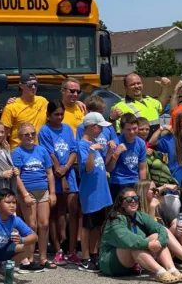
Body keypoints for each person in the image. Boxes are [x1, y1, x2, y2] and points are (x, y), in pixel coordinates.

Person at [99, 188, 182, 283]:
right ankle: (160, 272)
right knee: (134, 245)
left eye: (135, 198)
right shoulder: (116, 218)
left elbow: (161, 229)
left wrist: (159, 242)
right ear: (121, 203)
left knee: (156, 236)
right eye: (128, 199)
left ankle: (172, 270)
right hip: (111, 263)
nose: (133, 201)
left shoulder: (140, 215)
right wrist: (149, 244)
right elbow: (127, 239)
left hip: (133, 261)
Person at [38, 100, 79, 265]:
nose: (60, 117)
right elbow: (50, 152)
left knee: (73, 210)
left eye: (62, 114)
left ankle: (72, 249)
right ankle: (58, 249)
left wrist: (67, 167)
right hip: (54, 174)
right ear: (48, 115)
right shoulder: (44, 130)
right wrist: (59, 172)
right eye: (56, 114)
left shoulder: (68, 129)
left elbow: (73, 150)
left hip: (68, 172)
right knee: (56, 213)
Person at [12, 122, 56, 271]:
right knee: (32, 225)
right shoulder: (17, 152)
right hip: (27, 190)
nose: (30, 137)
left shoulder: (41, 150)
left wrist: (53, 192)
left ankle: (42, 257)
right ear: (20, 137)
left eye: (32, 133)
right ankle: (30, 258)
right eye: (26, 134)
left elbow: (49, 172)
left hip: (43, 189)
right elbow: (17, 176)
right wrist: (24, 194)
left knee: (44, 224)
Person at [77, 112, 114, 272]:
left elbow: (102, 165)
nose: (102, 131)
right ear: (92, 127)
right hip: (90, 192)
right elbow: (88, 168)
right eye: (100, 127)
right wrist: (92, 150)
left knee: (97, 226)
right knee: (87, 226)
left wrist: (112, 153)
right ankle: (85, 258)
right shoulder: (83, 145)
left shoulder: (94, 143)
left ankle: (94, 254)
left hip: (101, 191)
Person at [1, 73, 49, 149]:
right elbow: (3, 135)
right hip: (18, 152)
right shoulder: (11, 107)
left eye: (35, 84)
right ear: (21, 86)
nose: (33, 87)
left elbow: (57, 113)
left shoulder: (43, 102)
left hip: (38, 152)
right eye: (30, 84)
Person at [107, 113, 147, 199]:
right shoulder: (116, 143)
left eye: (134, 128)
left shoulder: (141, 143)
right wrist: (116, 153)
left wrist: (143, 186)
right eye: (128, 129)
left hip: (135, 182)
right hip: (118, 182)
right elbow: (109, 168)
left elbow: (142, 168)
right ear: (122, 129)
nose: (132, 132)